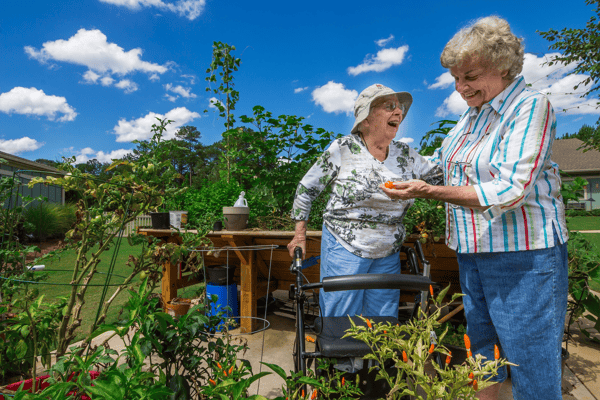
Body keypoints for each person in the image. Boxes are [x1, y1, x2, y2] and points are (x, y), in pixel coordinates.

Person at [381, 16, 568, 400]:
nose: (460, 87)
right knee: (484, 356)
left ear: (502, 66)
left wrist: (428, 192)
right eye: (455, 78)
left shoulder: (530, 107)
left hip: (523, 257)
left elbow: (510, 188)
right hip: (473, 253)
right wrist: (382, 157)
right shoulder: (470, 118)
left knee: (529, 362)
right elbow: (441, 164)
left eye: (470, 76)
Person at [287, 83, 442, 318]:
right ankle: (341, 356)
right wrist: (300, 235)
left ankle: (374, 357)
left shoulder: (406, 154)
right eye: (389, 106)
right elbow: (306, 189)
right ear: (366, 118)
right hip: (344, 247)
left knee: (382, 320)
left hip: (388, 250)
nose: (398, 112)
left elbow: (441, 178)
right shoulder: (343, 149)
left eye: (399, 107)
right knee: (341, 318)